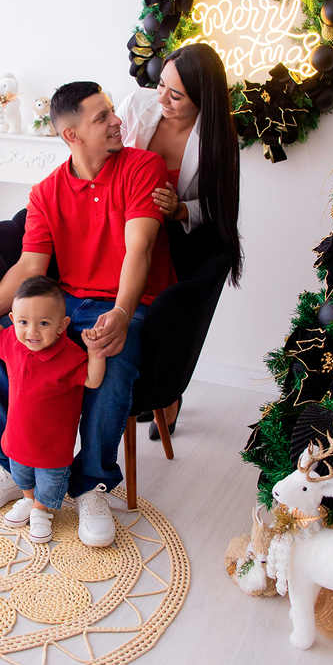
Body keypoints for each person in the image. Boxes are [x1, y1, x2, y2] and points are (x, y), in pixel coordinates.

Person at [0, 80, 175, 547]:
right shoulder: (46, 191)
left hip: (128, 302)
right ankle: (10, 466)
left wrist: (121, 310)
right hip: (66, 303)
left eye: (112, 111)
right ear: (71, 135)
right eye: (102, 117)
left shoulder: (143, 167)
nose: (118, 121)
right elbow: (31, 266)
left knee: (112, 358)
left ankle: (93, 483)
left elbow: (139, 248)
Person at [115, 42, 244, 440]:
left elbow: (218, 205)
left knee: (165, 321)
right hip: (127, 225)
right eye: (162, 86)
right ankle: (129, 386)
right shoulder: (138, 106)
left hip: (176, 239)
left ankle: (167, 392)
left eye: (176, 95)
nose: (163, 99)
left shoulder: (218, 139)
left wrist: (181, 210)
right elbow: (102, 152)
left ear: (202, 99)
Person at [0, 276, 105, 544]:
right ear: (13, 320)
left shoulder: (70, 357)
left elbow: (92, 380)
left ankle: (41, 510)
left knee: (49, 483)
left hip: (53, 448)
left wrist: (95, 352)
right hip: (17, 439)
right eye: (24, 323)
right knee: (22, 475)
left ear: (62, 326)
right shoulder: (13, 343)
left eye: (44, 324)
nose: (32, 332)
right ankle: (28, 500)